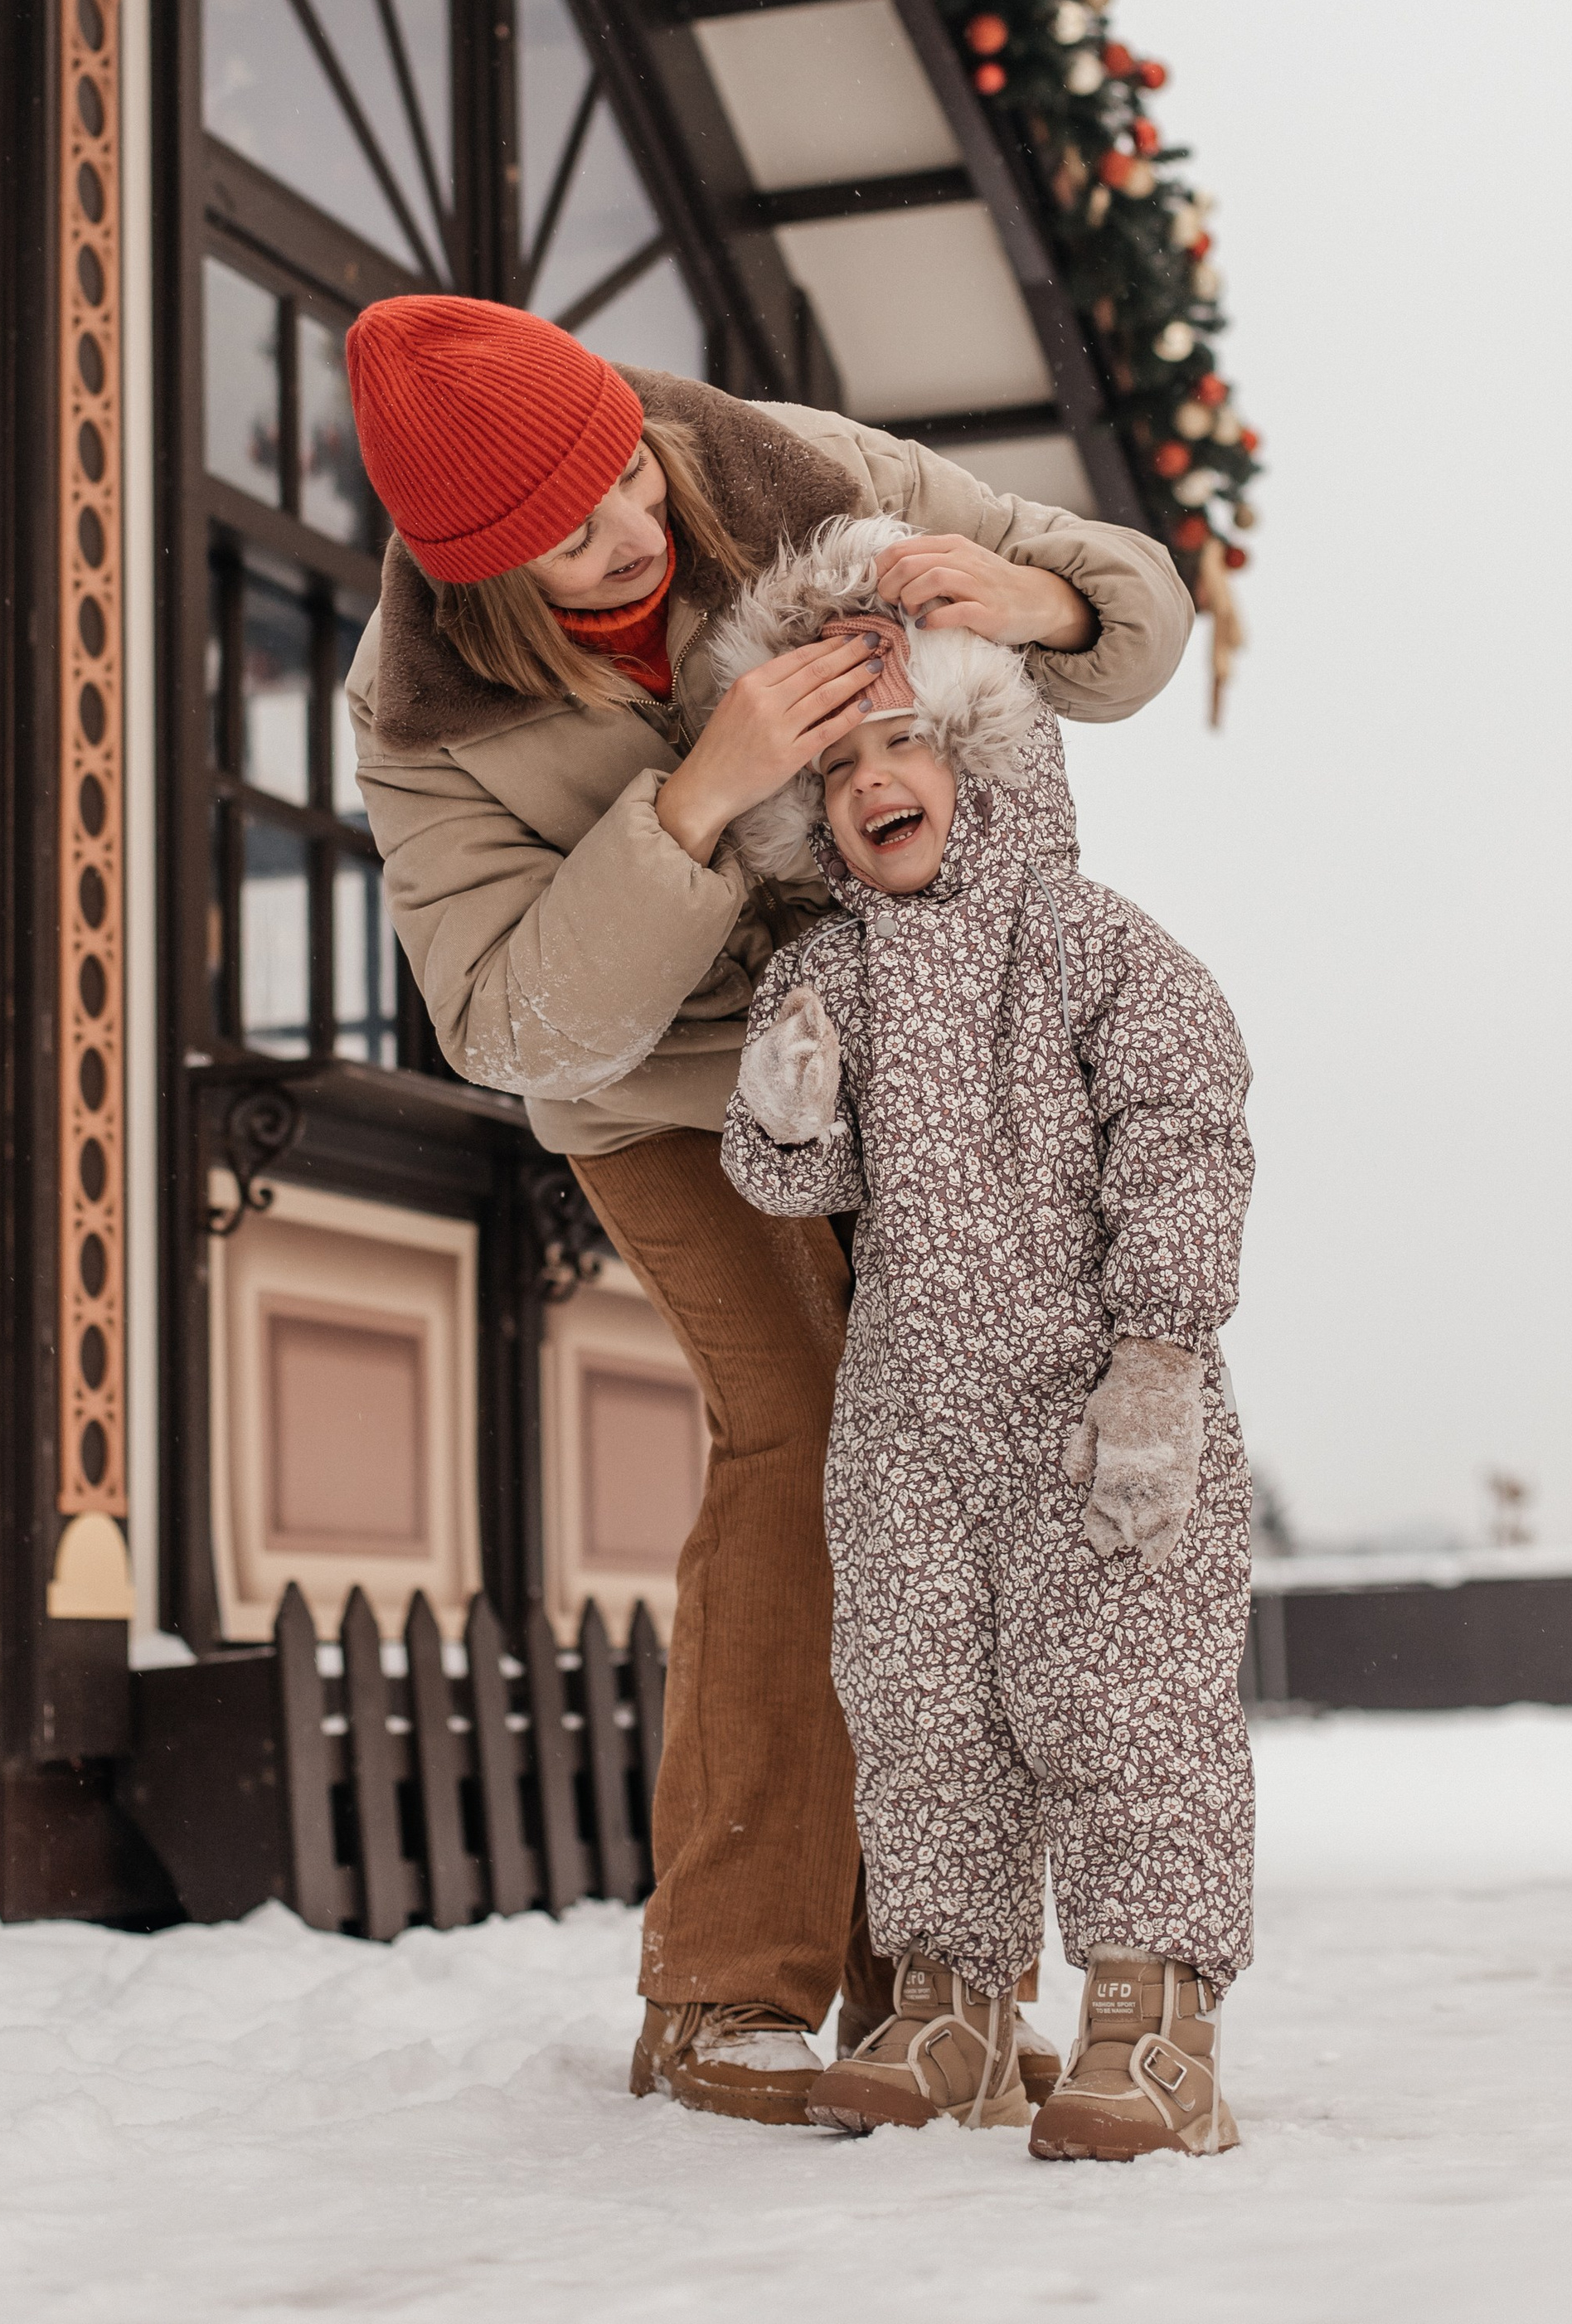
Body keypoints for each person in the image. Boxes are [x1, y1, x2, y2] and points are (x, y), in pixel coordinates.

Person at [340, 292, 1193, 2126]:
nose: (635, 531)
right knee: (810, 1431)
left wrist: (1041, 607)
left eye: (624, 479)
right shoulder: (422, 722)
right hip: (659, 1096)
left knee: (966, 1444)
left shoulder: (795, 471)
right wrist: (697, 796)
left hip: (911, 1051)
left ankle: (931, 1987)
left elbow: (1128, 614)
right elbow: (511, 1025)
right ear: (477, 582)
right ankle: (722, 1990)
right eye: (573, 542)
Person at [717, 513, 1253, 2156]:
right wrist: (783, 1107)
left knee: (1119, 1707)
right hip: (908, 1413)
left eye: (903, 742)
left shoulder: (1094, 949)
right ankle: (946, 2004)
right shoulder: (826, 969)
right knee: (919, 1707)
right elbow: (790, 1173)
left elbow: (1184, 1118)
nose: (871, 780)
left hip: (1091, 1397)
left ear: (978, 753)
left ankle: (1149, 2025)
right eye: (835, 767)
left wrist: (1160, 1346)